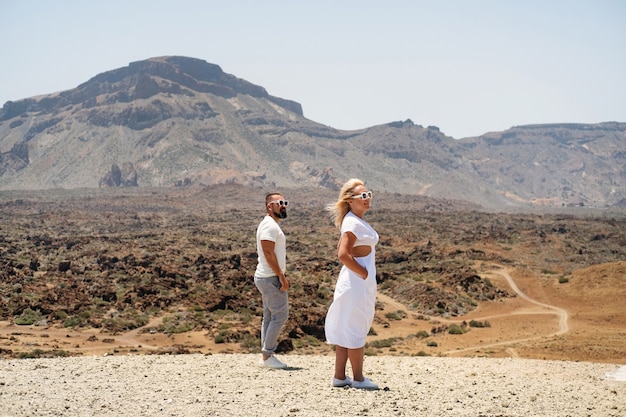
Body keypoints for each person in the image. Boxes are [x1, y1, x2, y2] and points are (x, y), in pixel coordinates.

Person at [324, 179, 379, 390]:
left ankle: (340, 376)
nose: (368, 199)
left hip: (355, 282)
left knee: (346, 327)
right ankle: (358, 378)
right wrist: (364, 273)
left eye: (369, 194)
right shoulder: (352, 222)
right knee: (355, 327)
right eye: (363, 196)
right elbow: (343, 254)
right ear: (350, 200)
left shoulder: (353, 220)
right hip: (356, 283)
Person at [254, 192, 290, 369]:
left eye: (285, 202)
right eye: (280, 203)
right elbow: (268, 253)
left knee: (269, 316)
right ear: (270, 206)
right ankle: (267, 356)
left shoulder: (270, 224)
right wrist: (281, 276)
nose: (283, 205)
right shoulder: (269, 226)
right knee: (280, 316)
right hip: (270, 277)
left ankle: (266, 355)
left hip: (266, 277)